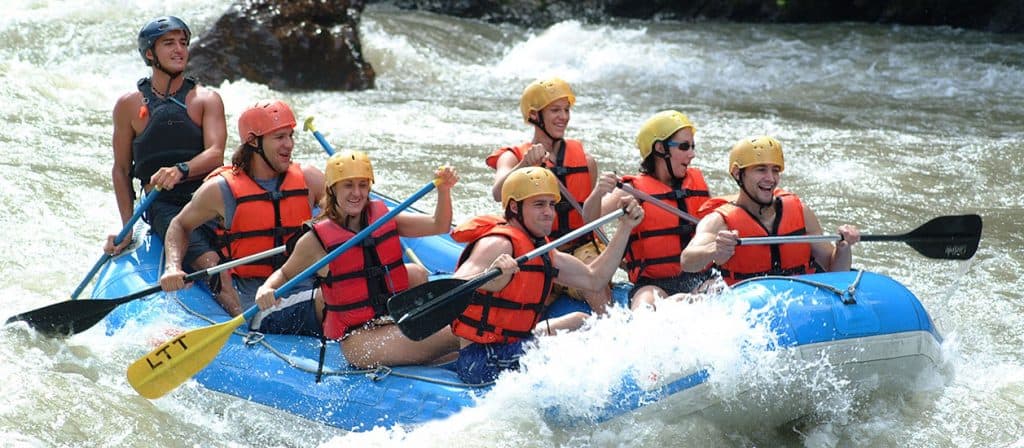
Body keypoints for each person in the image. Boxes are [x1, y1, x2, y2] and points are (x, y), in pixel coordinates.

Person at [254, 150, 460, 368]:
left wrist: (443, 191)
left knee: (416, 273)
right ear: (332, 189)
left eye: (363, 185)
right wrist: (266, 288)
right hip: (360, 340)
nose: (357, 193)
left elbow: (439, 225)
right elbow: (285, 273)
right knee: (459, 331)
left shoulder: (384, 217)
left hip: (389, 317)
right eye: (348, 185)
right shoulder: (315, 240)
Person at [450, 166, 644, 384]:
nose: (549, 212)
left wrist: (625, 228)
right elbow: (455, 287)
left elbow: (594, 278)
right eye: (539, 204)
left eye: (551, 204)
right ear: (515, 207)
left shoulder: (542, 250)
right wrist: (492, 278)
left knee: (582, 322)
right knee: (577, 343)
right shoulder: (498, 243)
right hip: (481, 360)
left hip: (513, 345)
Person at [159, 100, 325, 328]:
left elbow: (343, 214)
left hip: (308, 283)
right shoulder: (221, 189)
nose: (289, 145)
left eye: (290, 136)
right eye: (279, 138)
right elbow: (179, 225)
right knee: (334, 302)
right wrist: (173, 267)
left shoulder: (309, 178)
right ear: (253, 142)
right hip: (262, 301)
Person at [107, 16, 228, 296]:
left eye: (183, 43)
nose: (179, 50)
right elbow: (122, 169)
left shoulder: (206, 99)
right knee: (210, 262)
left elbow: (215, 154)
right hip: (163, 203)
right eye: (169, 43)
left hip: (208, 195)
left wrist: (181, 169)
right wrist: (127, 228)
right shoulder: (128, 105)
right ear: (150, 53)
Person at [485, 77, 610, 313]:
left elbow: (592, 218)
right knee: (519, 307)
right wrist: (525, 164)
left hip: (579, 250)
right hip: (537, 249)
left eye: (566, 109)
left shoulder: (586, 162)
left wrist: (611, 253)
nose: (563, 116)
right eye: (555, 110)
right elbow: (497, 192)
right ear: (534, 116)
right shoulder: (512, 158)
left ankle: (611, 327)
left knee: (594, 276)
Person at [680, 136, 861, 285]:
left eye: (775, 170)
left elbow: (836, 272)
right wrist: (714, 250)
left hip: (798, 301)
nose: (770, 178)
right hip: (746, 305)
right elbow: (687, 261)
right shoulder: (719, 221)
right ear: (737, 174)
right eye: (761, 170)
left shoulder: (801, 212)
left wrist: (843, 247)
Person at [588, 110, 712, 310]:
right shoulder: (632, 190)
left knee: (715, 291)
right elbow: (589, 220)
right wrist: (598, 192)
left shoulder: (697, 183)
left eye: (692, 146)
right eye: (684, 146)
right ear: (660, 148)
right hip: (653, 284)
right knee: (644, 309)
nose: (692, 154)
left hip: (700, 278)